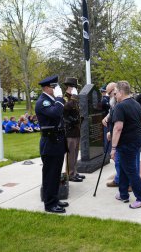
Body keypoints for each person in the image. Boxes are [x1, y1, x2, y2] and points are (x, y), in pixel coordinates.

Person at [111, 80, 141, 209]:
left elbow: (118, 128)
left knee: (131, 170)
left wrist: (113, 148)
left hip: (128, 142)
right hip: (137, 139)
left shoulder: (120, 106)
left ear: (121, 93)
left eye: (115, 93)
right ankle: (123, 194)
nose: (114, 95)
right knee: (122, 167)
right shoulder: (136, 103)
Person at [35, 75, 69, 214]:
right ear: (47, 88)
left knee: (55, 174)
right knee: (50, 174)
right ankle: (49, 204)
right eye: (54, 87)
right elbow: (55, 113)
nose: (56, 90)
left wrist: (60, 99)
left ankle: (54, 199)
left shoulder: (52, 100)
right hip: (50, 142)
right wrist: (60, 98)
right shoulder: (43, 102)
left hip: (57, 141)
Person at [63, 77, 85, 182]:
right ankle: (69, 174)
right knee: (70, 154)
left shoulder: (73, 98)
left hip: (76, 130)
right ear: (70, 87)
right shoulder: (65, 98)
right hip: (69, 131)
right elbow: (66, 108)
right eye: (75, 87)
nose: (77, 89)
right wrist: (73, 98)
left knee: (75, 153)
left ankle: (74, 172)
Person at [100, 85, 111, 153]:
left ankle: (107, 150)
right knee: (106, 136)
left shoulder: (106, 99)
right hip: (106, 119)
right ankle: (107, 150)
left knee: (107, 135)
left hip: (107, 119)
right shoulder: (104, 99)